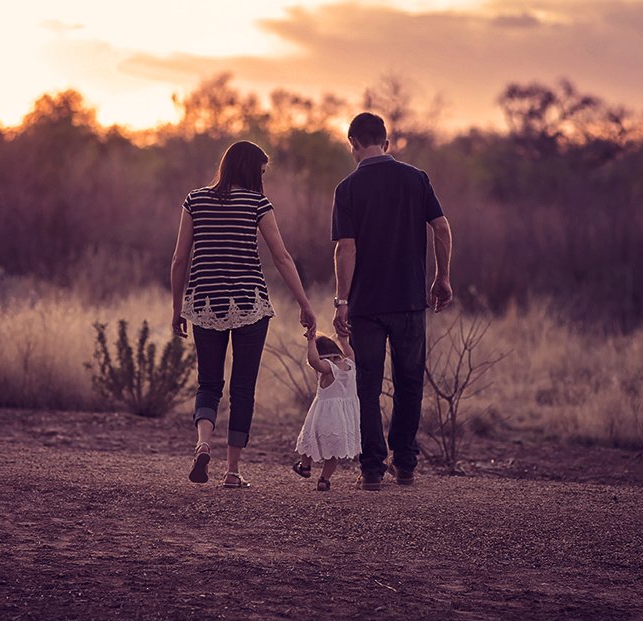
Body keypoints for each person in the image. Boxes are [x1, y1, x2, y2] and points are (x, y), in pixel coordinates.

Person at [170, 140, 316, 488]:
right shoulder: (257, 203)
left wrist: (178, 308)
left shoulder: (195, 200)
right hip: (250, 304)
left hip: (204, 304)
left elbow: (179, 259)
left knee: (208, 383)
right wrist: (304, 303)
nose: (263, 178)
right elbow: (281, 258)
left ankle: (203, 443)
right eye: (262, 171)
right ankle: (232, 472)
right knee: (243, 389)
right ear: (252, 170)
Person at [331, 112, 454, 491]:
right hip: (409, 300)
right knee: (409, 382)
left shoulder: (347, 188)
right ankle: (405, 464)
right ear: (386, 142)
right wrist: (442, 277)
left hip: (367, 305)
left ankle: (371, 470)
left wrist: (341, 300)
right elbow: (442, 228)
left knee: (367, 385)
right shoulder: (416, 179)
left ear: (353, 143)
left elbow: (345, 249)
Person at [292, 332, 361, 491]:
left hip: (324, 415)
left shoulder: (328, 368)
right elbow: (350, 352)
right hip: (343, 418)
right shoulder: (350, 364)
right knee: (333, 452)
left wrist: (310, 342)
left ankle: (305, 466)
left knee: (308, 440)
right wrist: (343, 339)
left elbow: (314, 361)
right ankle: (324, 479)